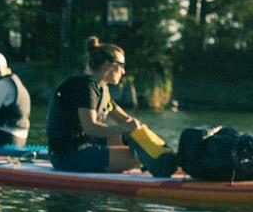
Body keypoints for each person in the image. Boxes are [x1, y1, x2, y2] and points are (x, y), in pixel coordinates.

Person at [46, 36, 174, 174]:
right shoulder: (85, 87)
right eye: (122, 66)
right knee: (138, 157)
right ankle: (155, 163)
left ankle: (167, 157)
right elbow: (90, 128)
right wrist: (127, 130)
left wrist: (155, 144)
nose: (124, 72)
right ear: (108, 64)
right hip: (66, 156)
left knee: (128, 138)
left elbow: (126, 121)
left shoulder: (101, 89)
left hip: (85, 146)